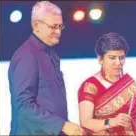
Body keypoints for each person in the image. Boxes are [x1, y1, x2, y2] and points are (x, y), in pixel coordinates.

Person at [8, 1, 85, 135]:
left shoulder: (51, 54)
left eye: (61, 26)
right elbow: (23, 106)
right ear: (37, 25)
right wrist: (62, 125)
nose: (58, 32)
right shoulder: (26, 56)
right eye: (53, 27)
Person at [78, 32, 136, 135]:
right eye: (112, 58)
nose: (118, 63)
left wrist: (129, 123)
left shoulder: (129, 85)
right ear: (100, 59)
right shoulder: (90, 86)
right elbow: (86, 123)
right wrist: (112, 122)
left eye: (121, 58)